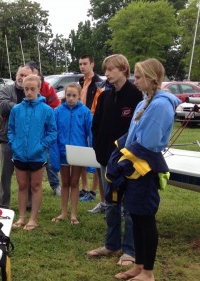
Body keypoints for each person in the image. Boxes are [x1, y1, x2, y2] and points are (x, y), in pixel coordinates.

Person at [112, 58, 180, 281]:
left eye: (139, 76)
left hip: (145, 167)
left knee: (145, 219)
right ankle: (139, 266)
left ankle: (148, 272)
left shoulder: (160, 105)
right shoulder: (144, 102)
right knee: (136, 216)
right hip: (133, 165)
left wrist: (125, 154)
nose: (135, 80)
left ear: (152, 79)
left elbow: (149, 142)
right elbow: (133, 135)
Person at [87, 54, 142, 267]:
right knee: (110, 203)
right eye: (106, 69)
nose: (107, 73)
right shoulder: (104, 96)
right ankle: (112, 245)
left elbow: (138, 130)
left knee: (129, 205)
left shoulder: (136, 96)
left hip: (129, 160)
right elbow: (96, 125)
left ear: (123, 70)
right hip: (106, 159)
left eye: (111, 69)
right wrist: (99, 149)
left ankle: (130, 250)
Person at [8, 74, 56, 231]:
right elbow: (11, 130)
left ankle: (33, 218)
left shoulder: (47, 110)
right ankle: (22, 217)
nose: (28, 92)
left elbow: (52, 132)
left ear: (39, 89)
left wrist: (41, 146)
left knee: (35, 185)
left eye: (32, 89)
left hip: (37, 155)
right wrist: (14, 145)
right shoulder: (16, 109)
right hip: (19, 154)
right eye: (26, 89)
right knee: (22, 185)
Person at [0, 64, 34, 209]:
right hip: (7, 138)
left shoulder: (35, 92)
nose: (22, 78)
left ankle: (29, 203)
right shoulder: (5, 89)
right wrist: (24, 107)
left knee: (28, 171)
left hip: (28, 139)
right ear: (16, 75)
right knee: (6, 172)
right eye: (20, 75)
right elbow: (3, 108)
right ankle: (3, 203)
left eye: (25, 76)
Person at [51, 83, 92, 225]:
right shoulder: (57, 111)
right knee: (65, 183)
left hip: (78, 153)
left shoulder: (85, 112)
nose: (70, 98)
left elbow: (90, 133)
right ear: (64, 95)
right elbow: (53, 132)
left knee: (74, 183)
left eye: (74, 95)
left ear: (79, 96)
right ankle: (63, 212)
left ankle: (73, 214)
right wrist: (55, 152)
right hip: (62, 152)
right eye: (68, 95)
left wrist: (90, 153)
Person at [31, 63, 61, 196]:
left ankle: (55, 185)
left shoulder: (47, 87)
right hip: (29, 132)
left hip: (44, 131)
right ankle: (29, 189)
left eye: (37, 75)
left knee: (48, 159)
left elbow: (55, 106)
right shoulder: (25, 86)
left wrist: (45, 118)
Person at [78, 54, 104, 205]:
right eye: (80, 64)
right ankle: (85, 187)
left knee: (95, 156)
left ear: (92, 64)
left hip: (93, 121)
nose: (82, 67)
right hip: (80, 122)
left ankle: (93, 190)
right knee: (81, 154)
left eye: (85, 64)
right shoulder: (81, 81)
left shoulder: (99, 83)